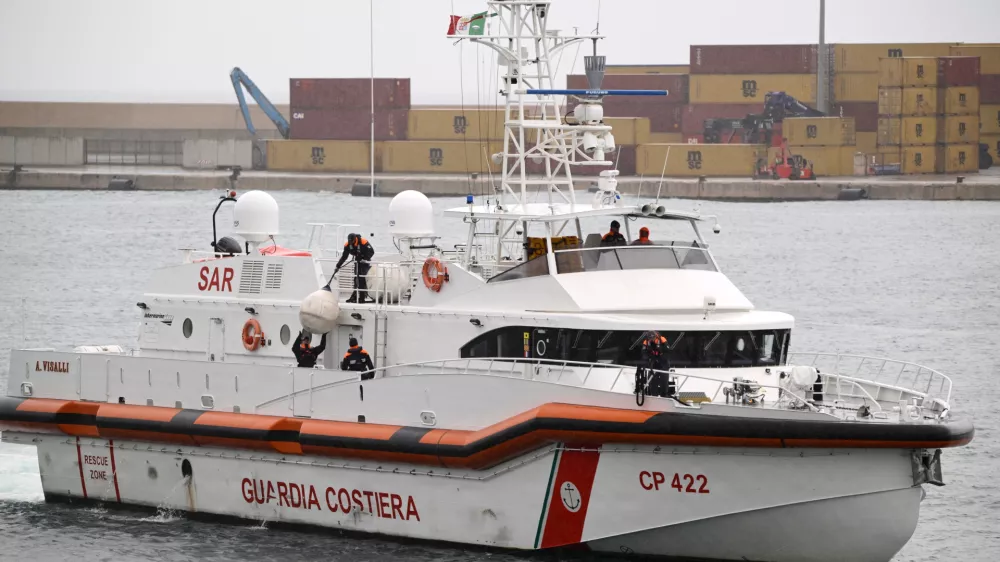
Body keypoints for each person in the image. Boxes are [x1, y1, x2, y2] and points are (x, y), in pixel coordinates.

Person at [335, 233, 375, 303]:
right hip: (357, 261)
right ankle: (355, 296)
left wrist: (364, 258)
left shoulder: (363, 241)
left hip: (365, 261)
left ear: (355, 239)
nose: (351, 243)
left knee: (362, 278)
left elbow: (371, 252)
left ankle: (362, 297)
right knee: (356, 278)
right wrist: (338, 266)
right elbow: (344, 257)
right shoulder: (347, 245)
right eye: (350, 242)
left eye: (352, 242)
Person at [642, 331, 672, 397]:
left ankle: (664, 395)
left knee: (664, 378)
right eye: (650, 338)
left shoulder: (662, 339)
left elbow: (668, 350)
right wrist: (649, 358)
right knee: (652, 378)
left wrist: (660, 350)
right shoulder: (646, 342)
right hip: (653, 362)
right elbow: (644, 353)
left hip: (663, 362)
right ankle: (653, 395)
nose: (651, 339)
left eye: (652, 338)